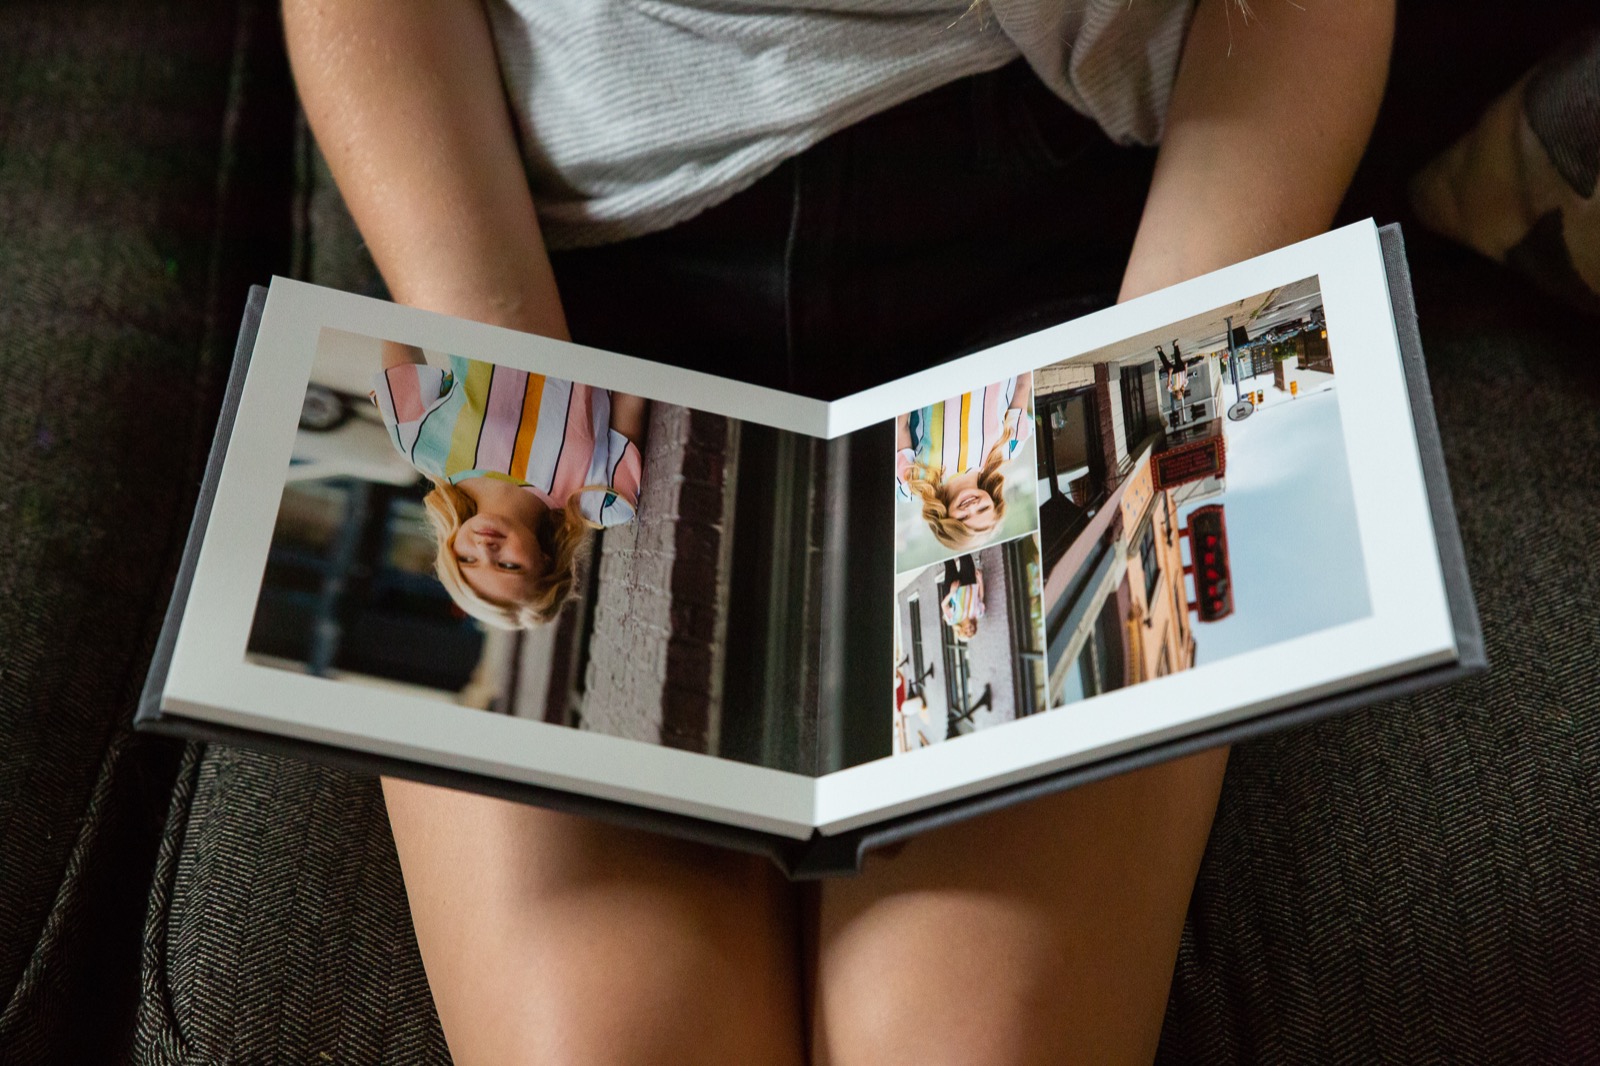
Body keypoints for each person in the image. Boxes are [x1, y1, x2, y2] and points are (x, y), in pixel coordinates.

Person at [282, 0, 1394, 1061]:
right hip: (545, 260)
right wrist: (489, 339)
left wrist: (1157, 362)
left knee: (972, 1042)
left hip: (1096, 252)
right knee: (618, 1039)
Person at [369, 340, 647, 628]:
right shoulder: (601, 499)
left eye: (467, 559)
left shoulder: (421, 445)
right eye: (509, 566)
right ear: (547, 561)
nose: (486, 548)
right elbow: (633, 385)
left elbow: (399, 328)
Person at [895, 374, 1033, 552]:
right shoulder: (1008, 450)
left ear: (946, 520)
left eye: (963, 518)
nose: (973, 507)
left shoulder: (913, 484)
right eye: (983, 508)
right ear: (993, 501)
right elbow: (1023, 384)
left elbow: (900, 425)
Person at [940, 553, 987, 642]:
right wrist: (980, 580)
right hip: (969, 582)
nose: (969, 629)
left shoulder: (953, 620)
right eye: (972, 631)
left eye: (966, 631)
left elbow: (943, 605)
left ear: (961, 630)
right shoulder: (978, 614)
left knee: (948, 561)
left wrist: (952, 591)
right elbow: (981, 596)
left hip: (953, 587)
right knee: (965, 556)